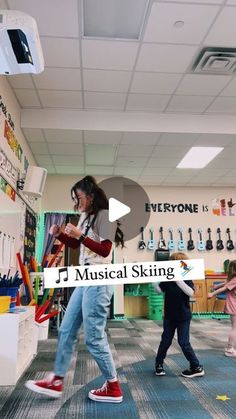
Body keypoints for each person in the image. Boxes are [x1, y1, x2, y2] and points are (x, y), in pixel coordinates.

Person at [25, 176, 124, 402]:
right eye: (74, 198)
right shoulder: (84, 217)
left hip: (99, 277)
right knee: (66, 329)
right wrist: (60, 235)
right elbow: (76, 244)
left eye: (78, 197)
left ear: (90, 196)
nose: (76, 201)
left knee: (93, 338)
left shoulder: (104, 215)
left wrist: (81, 236)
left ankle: (113, 386)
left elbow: (105, 250)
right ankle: (56, 380)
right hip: (85, 276)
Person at [153, 252, 205, 378]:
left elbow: (191, 292)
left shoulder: (186, 277)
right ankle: (159, 364)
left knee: (184, 342)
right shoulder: (167, 278)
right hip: (170, 316)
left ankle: (196, 366)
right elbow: (160, 290)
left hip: (183, 316)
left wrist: (178, 280)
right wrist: (152, 280)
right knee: (165, 341)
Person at [208, 260, 236, 357]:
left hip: (233, 305)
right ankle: (230, 349)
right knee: (235, 327)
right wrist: (212, 293)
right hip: (234, 306)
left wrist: (215, 286)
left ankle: (230, 346)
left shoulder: (233, 278)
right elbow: (225, 288)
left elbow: (225, 283)